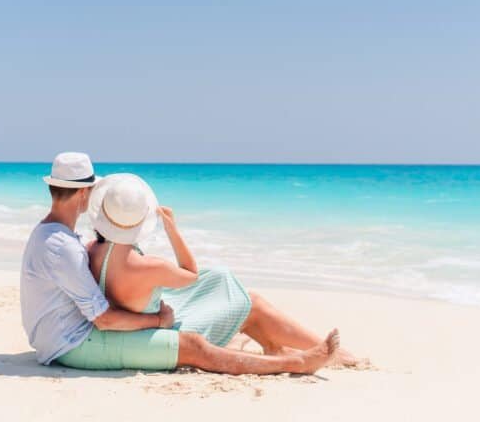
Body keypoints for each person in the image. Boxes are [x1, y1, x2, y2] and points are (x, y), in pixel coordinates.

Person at [20, 152, 339, 375]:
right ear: (82, 194)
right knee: (194, 347)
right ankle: (296, 364)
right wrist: (157, 321)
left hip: (64, 336)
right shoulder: (63, 246)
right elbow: (103, 319)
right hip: (71, 344)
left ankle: (296, 351)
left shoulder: (60, 237)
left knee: (221, 313)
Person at [86, 173, 359, 363]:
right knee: (251, 303)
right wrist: (172, 229)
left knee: (221, 280)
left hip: (138, 319)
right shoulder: (148, 266)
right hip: (161, 333)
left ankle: (273, 346)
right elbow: (190, 273)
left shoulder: (90, 250)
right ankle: (338, 355)